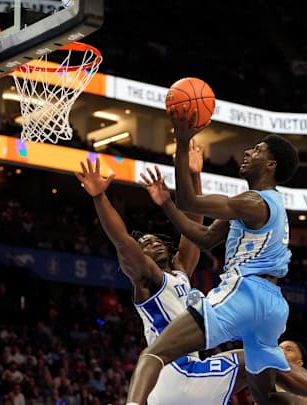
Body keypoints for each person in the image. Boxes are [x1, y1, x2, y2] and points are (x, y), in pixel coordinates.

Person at [127, 106, 307, 405]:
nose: (249, 152)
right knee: (267, 396)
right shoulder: (254, 208)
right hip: (272, 306)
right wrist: (165, 204)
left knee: (153, 353)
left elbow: (189, 200)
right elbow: (204, 238)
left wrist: (183, 141)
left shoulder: (252, 201)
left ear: (270, 165)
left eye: (258, 150)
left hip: (245, 295)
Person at [76, 142, 248, 405]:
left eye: (155, 239)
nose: (153, 242)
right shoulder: (150, 280)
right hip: (173, 370)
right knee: (264, 359)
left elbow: (194, 225)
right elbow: (122, 240)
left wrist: (194, 175)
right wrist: (99, 197)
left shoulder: (180, 272)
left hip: (181, 376)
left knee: (264, 362)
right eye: (145, 244)